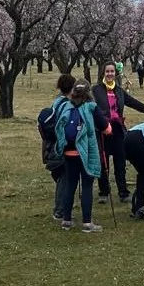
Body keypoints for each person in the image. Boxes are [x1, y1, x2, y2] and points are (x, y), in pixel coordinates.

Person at [93, 62, 144, 203]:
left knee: (120, 162)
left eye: (112, 71)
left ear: (115, 73)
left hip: (118, 131)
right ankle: (104, 191)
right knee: (103, 163)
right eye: (107, 71)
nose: (110, 74)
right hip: (103, 131)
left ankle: (123, 192)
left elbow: (133, 103)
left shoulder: (119, 90)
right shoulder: (96, 90)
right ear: (103, 73)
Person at [52, 82, 107, 232]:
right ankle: (87, 223)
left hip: (68, 152)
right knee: (87, 186)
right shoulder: (91, 107)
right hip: (86, 153)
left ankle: (66, 220)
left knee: (70, 185)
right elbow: (106, 128)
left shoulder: (65, 106)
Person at [39, 75, 79, 220]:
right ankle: (60, 210)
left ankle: (64, 205)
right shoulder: (67, 105)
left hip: (50, 147)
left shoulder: (57, 101)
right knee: (65, 178)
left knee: (62, 179)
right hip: (59, 148)